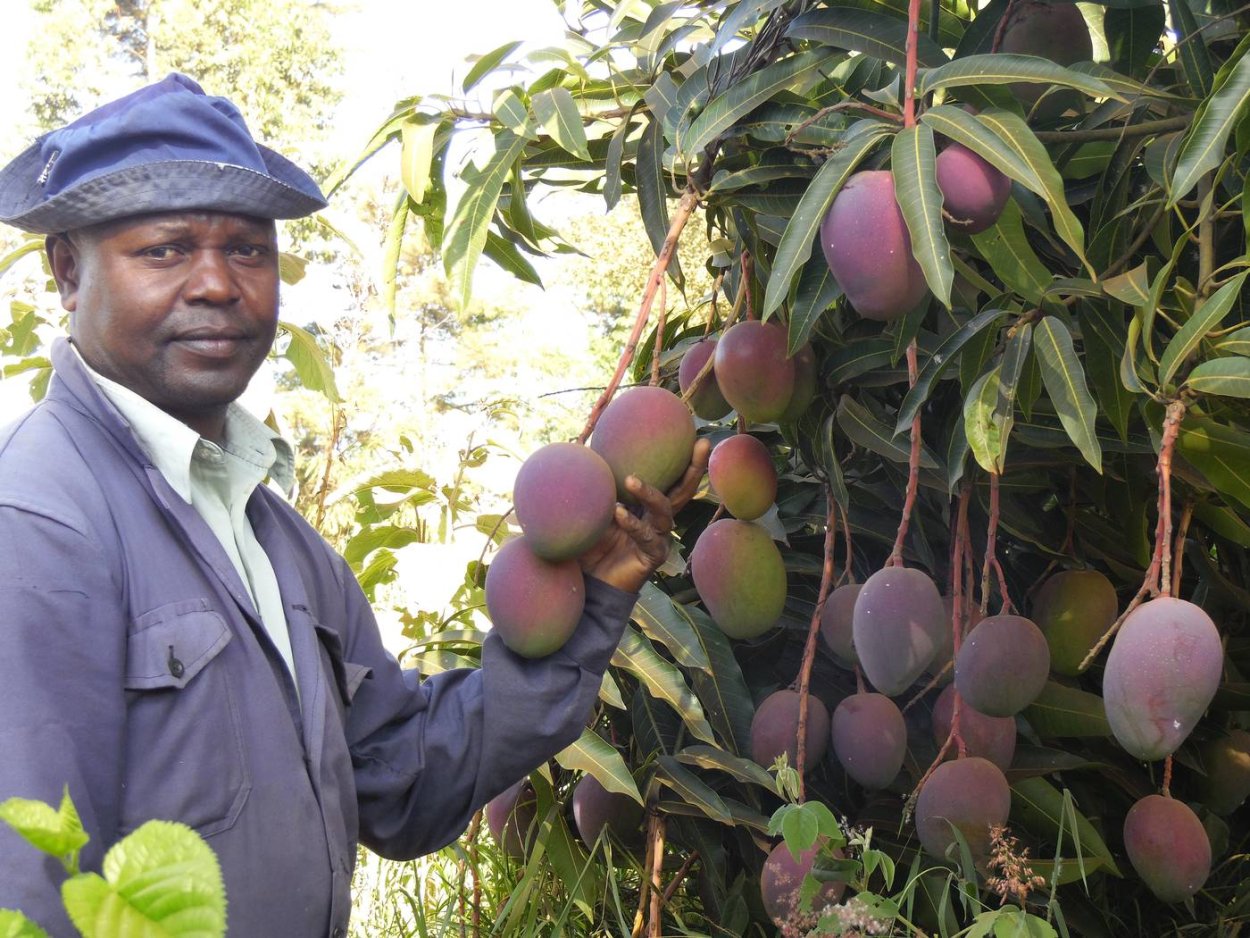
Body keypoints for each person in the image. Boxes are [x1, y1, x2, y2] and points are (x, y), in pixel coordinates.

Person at [0, 74, 709, 936]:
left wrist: (592, 600)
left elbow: (401, 783)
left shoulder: (275, 540)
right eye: (166, 250)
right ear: (68, 272)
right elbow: (26, 884)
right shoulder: (39, 522)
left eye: (248, 250)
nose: (217, 283)